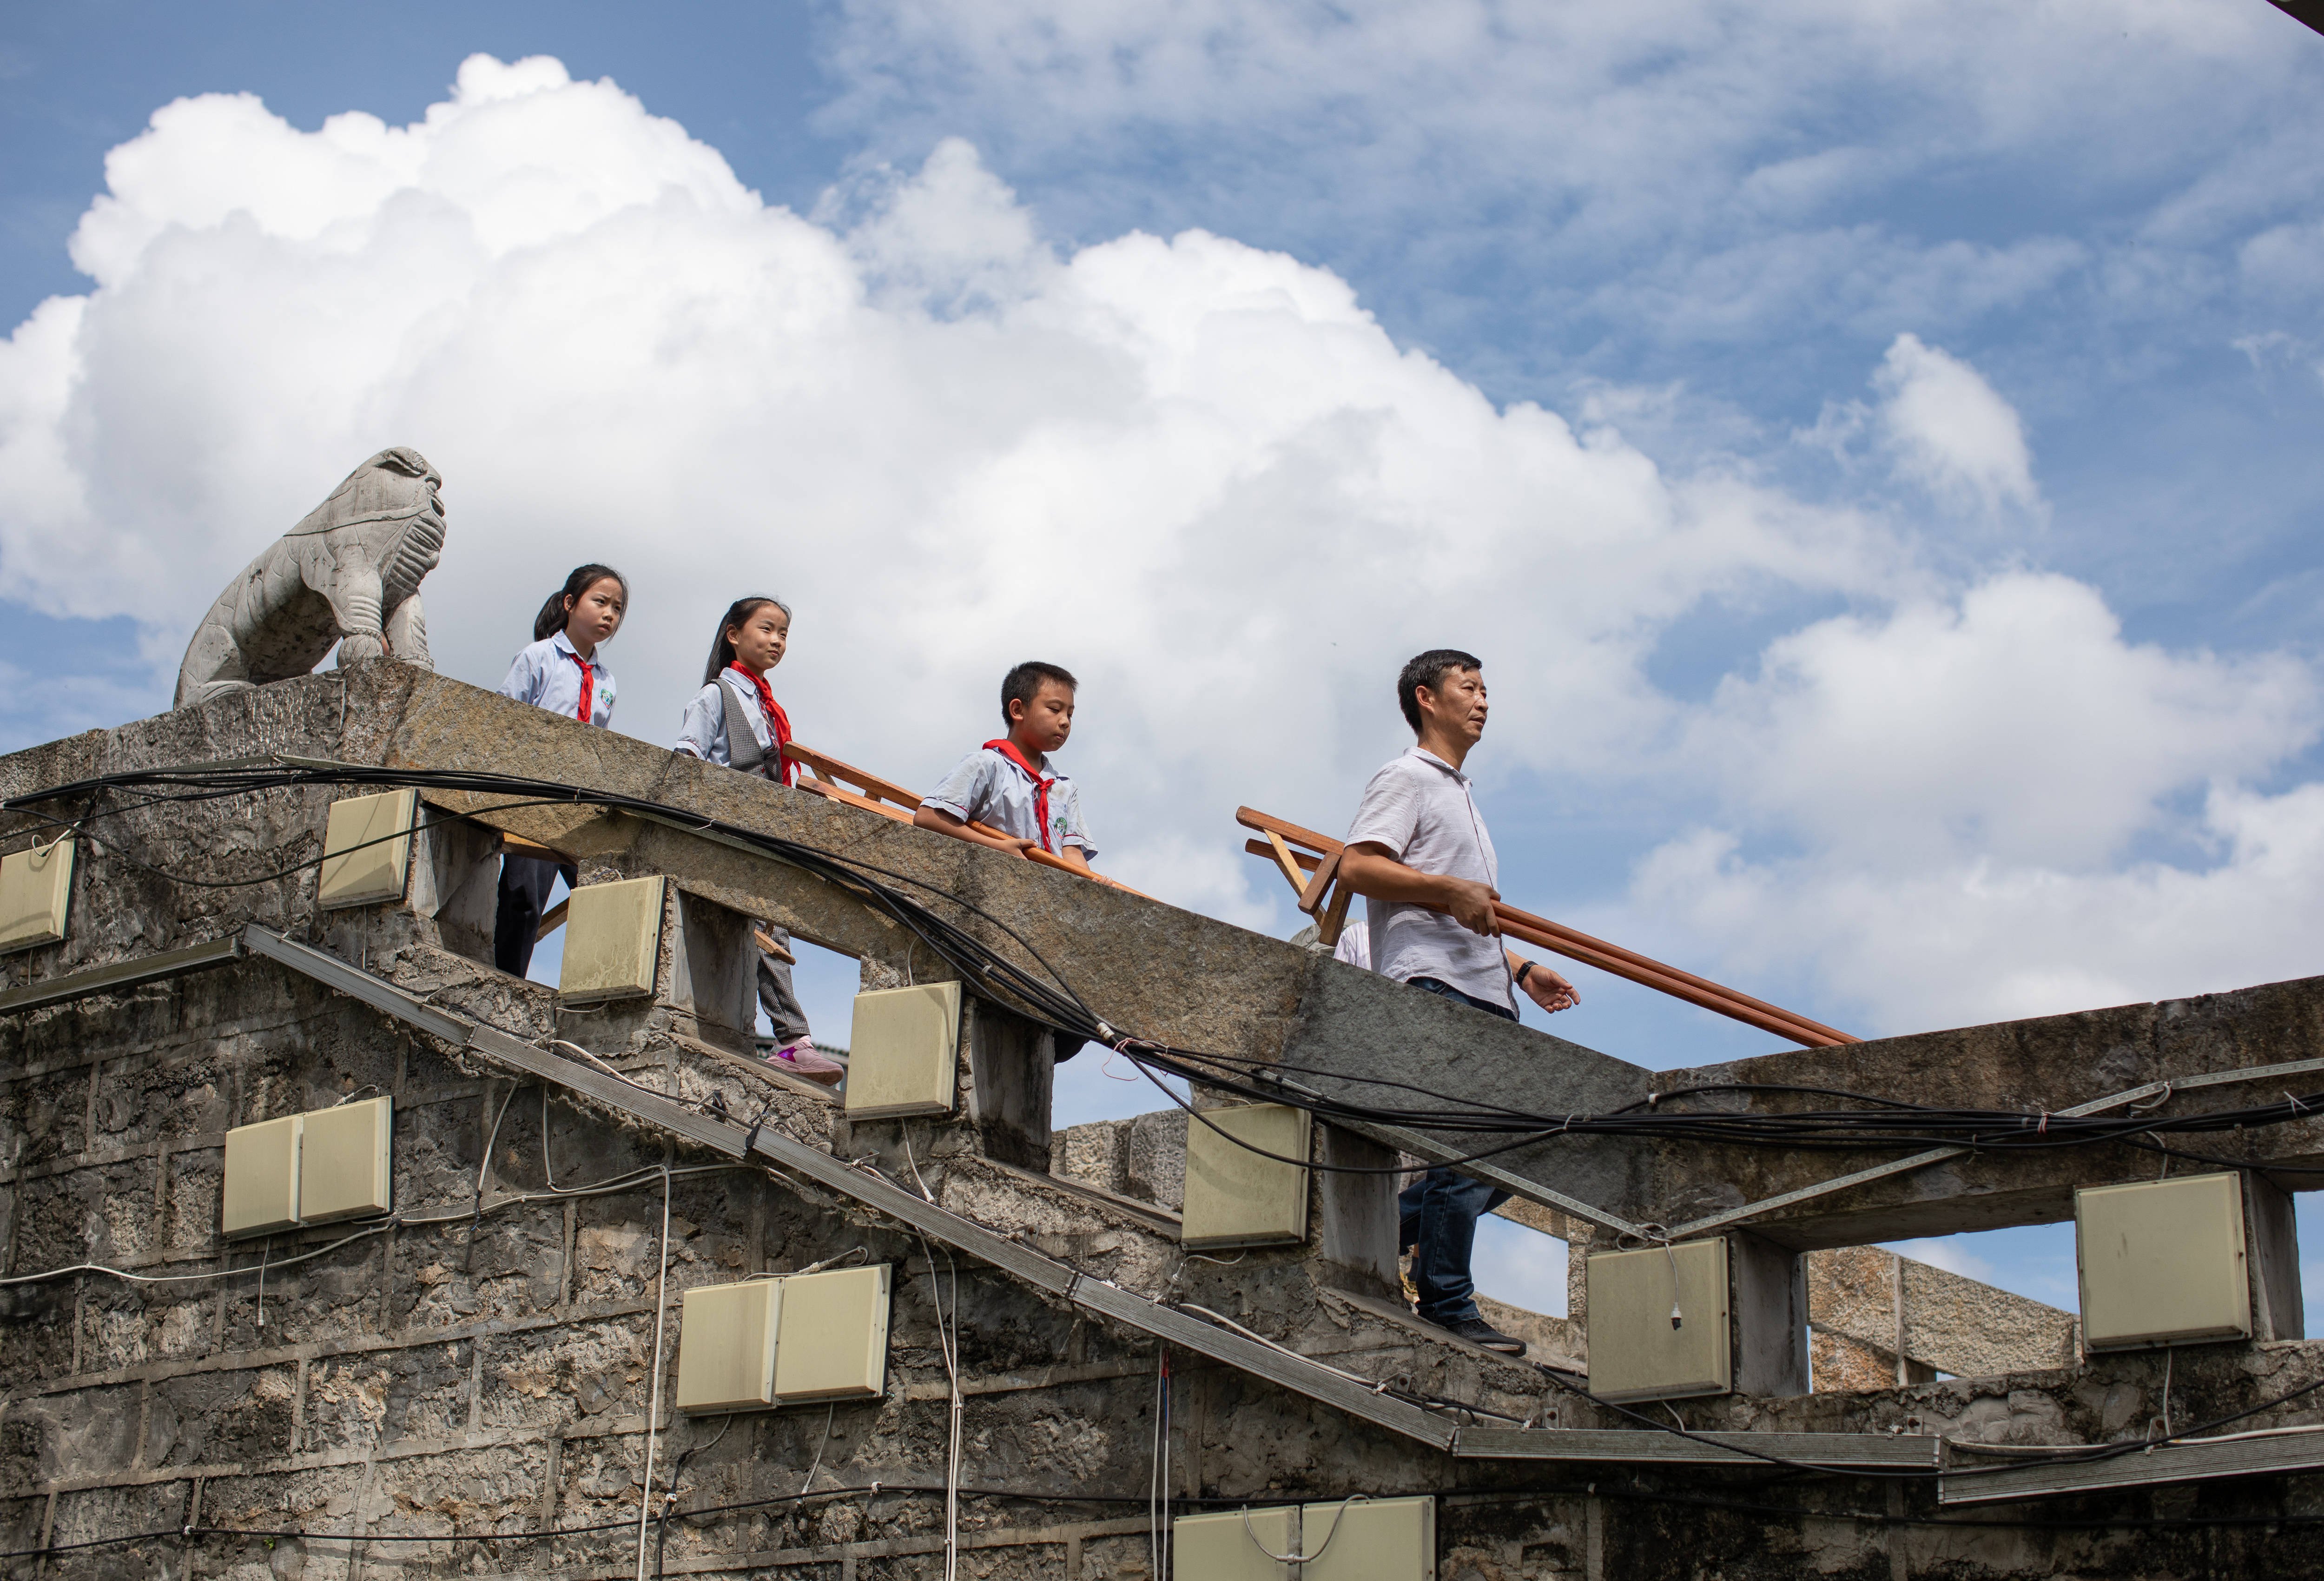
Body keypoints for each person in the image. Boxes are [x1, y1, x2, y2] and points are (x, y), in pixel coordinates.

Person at [1337, 648, 1579, 1354]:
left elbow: (1464, 908)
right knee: (1466, 1149)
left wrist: (1522, 965)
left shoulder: (1461, 792)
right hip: (1436, 983)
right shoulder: (1406, 776)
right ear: (1427, 698)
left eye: (1485, 689)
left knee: (1515, 1150)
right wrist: (1448, 890)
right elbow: (1358, 865)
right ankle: (1446, 1299)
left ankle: (1385, 1230)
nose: (1482, 701)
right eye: (1468, 688)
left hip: (1486, 986)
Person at [672, 596, 843, 1085]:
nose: (776, 641)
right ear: (733, 635)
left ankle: (788, 1038)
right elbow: (686, 757)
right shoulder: (715, 696)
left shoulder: (766, 705)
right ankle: (793, 1039)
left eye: (783, 634)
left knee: (773, 931)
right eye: (767, 629)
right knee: (770, 933)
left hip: (764, 835)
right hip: (730, 832)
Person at [913, 660, 1097, 1058]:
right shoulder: (987, 765)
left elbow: (1071, 854)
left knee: (1072, 1026)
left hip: (1048, 913)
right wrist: (1000, 848)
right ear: (1018, 710)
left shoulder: (1064, 788)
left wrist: (1094, 883)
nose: (1065, 721)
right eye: (1054, 709)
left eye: (1070, 713)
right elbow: (928, 816)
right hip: (997, 910)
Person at [493, 564, 627, 979]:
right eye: (600, 602)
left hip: (580, 801)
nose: (610, 614)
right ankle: (506, 978)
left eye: (618, 608)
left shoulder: (607, 681)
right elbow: (502, 718)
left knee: (606, 891)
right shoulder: (538, 657)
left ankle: (594, 988)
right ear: (570, 603)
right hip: (534, 793)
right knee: (525, 896)